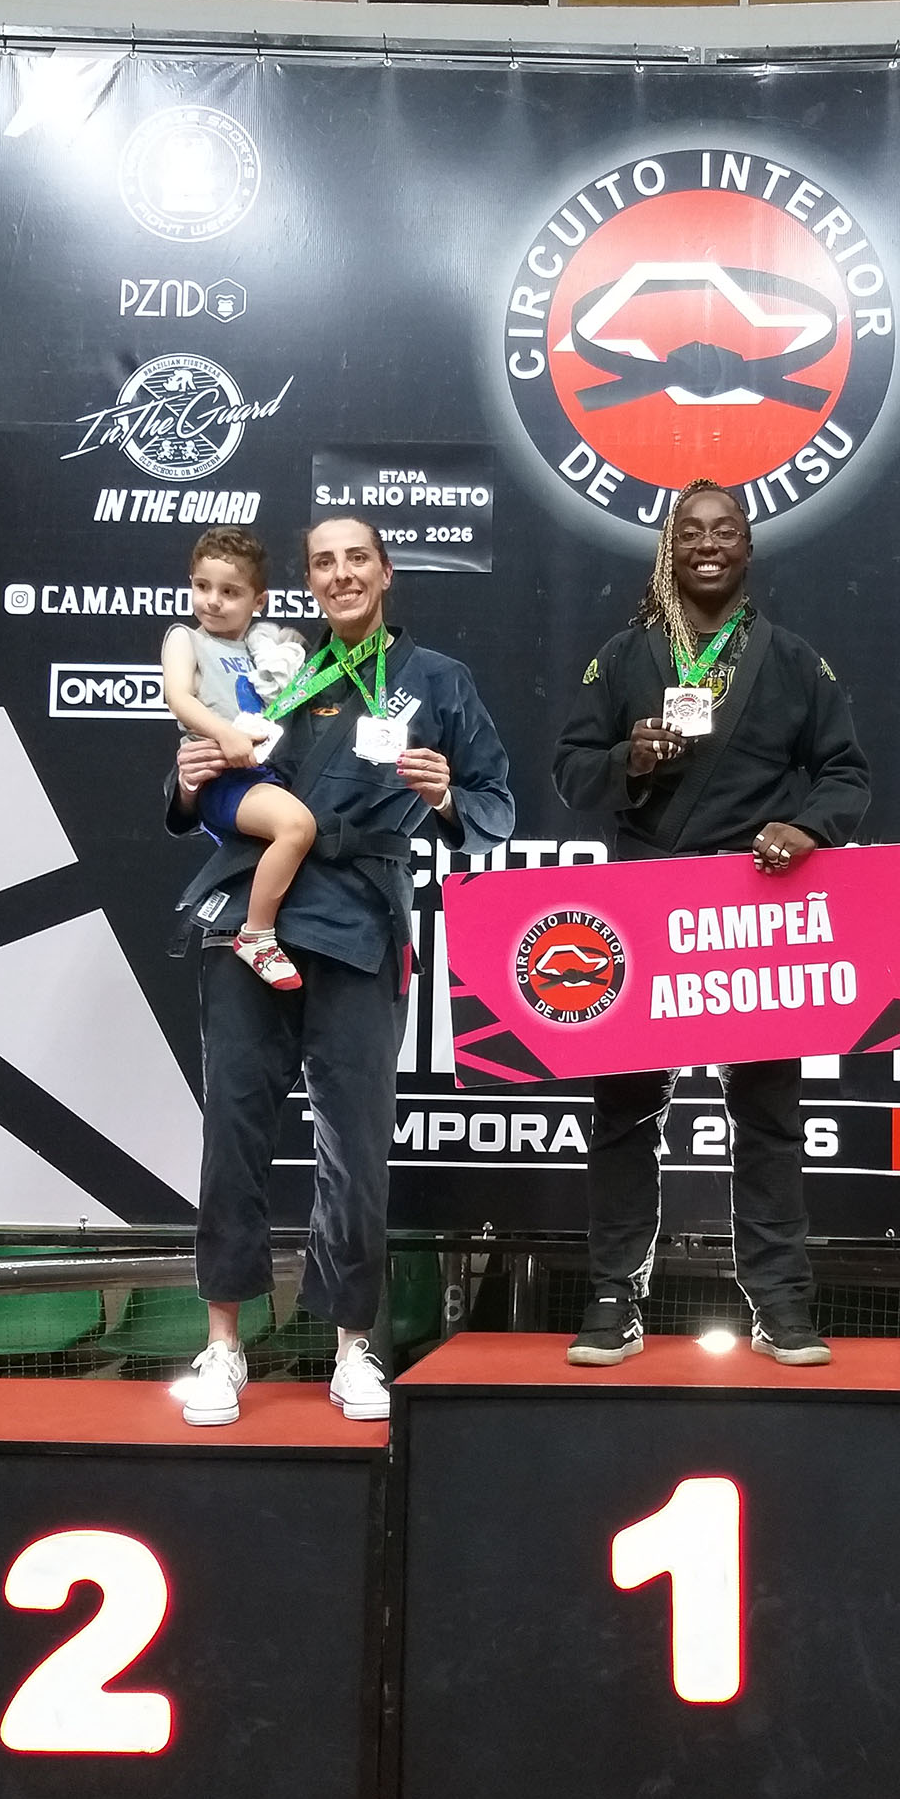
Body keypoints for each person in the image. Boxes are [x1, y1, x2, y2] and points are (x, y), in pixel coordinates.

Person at [169, 513, 514, 1427]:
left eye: (357, 558)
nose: (341, 574)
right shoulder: (273, 664)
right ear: (309, 582)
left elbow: (497, 808)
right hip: (250, 921)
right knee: (232, 1132)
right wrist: (188, 777)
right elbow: (209, 783)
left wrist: (448, 797)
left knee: (355, 1145)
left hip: (360, 923)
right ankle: (223, 1345)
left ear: (386, 571)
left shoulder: (437, 680)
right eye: (323, 562)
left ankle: (354, 1346)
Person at [553, 479, 869, 1368]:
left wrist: (807, 830)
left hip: (751, 911)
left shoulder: (794, 661)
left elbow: (846, 774)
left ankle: (781, 1302)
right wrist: (630, 757)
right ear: (669, 546)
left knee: (767, 1116)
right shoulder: (624, 656)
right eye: (689, 531)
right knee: (624, 1115)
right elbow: (571, 771)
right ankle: (614, 1297)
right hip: (645, 906)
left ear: (747, 547)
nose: (706, 544)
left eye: (723, 530)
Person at [160, 527, 315, 990]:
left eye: (230, 592)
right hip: (220, 779)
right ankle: (256, 935)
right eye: (202, 586)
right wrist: (225, 734)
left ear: (258, 600)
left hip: (260, 771)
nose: (212, 601)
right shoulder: (185, 639)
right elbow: (177, 697)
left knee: (304, 828)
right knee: (296, 827)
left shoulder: (260, 649)